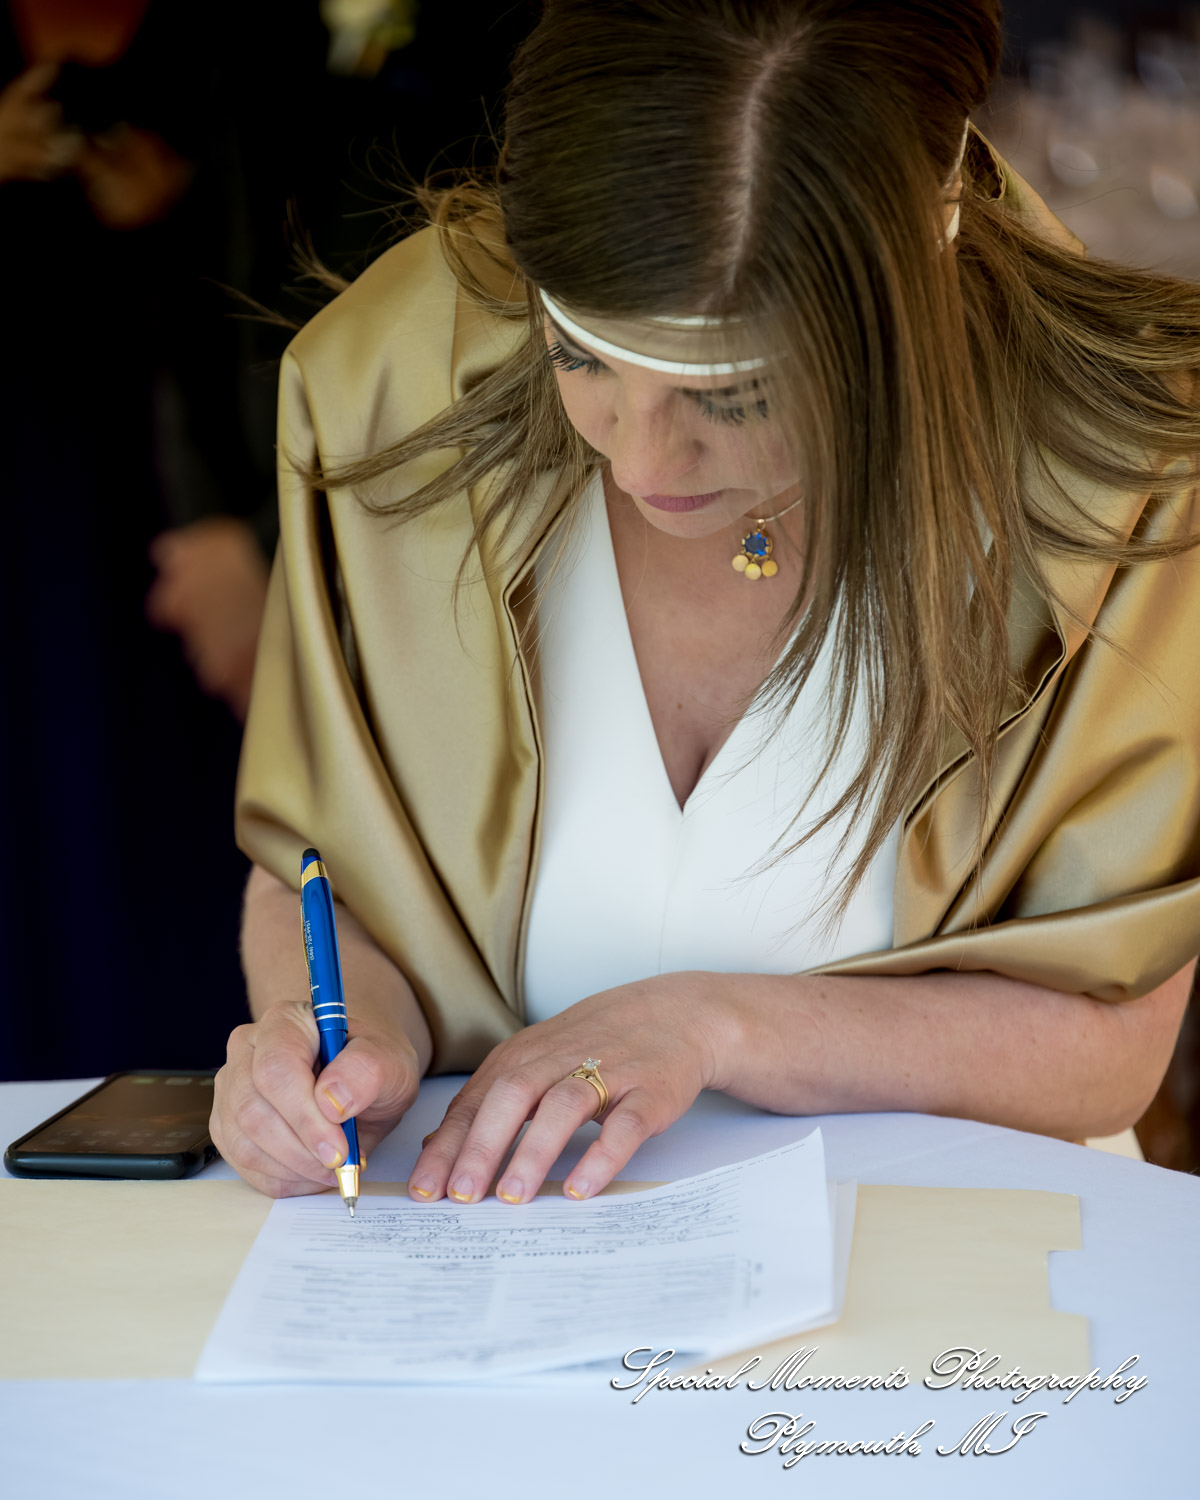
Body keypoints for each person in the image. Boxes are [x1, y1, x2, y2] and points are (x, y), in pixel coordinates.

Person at [211, 0, 1200, 1206]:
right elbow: (316, 873)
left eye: (730, 397)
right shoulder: (389, 379)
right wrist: (335, 1039)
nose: (640, 463)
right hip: (497, 1264)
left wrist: (717, 1027)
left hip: (969, 1266)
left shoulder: (1133, 472)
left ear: (914, 273)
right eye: (581, 356)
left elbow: (1114, 1042)